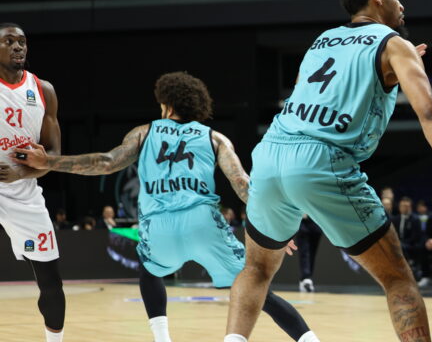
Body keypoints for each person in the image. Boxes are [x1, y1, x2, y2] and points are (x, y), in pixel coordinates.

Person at [223, 0, 432, 342]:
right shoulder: (393, 43)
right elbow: (431, 113)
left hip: (271, 154)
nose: (401, 4)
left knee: (256, 270)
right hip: (320, 160)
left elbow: (309, 93)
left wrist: (395, 66)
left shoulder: (323, 40)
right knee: (397, 278)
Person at [14, 72, 318, 342]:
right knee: (254, 285)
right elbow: (242, 184)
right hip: (203, 224)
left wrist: (49, 161)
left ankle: (162, 338)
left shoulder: (144, 132)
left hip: (159, 227)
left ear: (166, 104)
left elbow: (105, 163)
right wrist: (275, 227)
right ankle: (309, 339)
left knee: (149, 270)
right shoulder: (215, 138)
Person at [0, 23, 67, 342]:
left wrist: (22, 172)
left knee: (51, 282)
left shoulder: (43, 90)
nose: (18, 47)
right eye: (9, 41)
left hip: (23, 195)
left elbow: (54, 155)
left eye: (22, 42)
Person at [391, 197, 425, 281]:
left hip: (411, 244)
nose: (404, 208)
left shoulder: (415, 219)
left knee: (403, 247)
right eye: (402, 206)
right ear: (399, 207)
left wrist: (401, 243)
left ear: (410, 207)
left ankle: (408, 271)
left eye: (406, 206)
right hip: (398, 244)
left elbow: (415, 236)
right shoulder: (395, 219)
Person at [295, 216, 323, 292]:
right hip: (302, 221)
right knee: (304, 252)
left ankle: (308, 278)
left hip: (316, 221)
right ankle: (306, 277)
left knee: (312, 253)